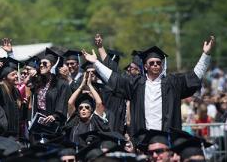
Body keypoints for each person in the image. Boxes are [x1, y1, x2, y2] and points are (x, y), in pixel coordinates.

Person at [83, 36, 215, 135]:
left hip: (167, 137)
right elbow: (114, 78)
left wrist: (206, 54)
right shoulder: (136, 84)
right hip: (143, 139)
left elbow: (194, 77)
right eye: (152, 63)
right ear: (145, 66)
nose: (156, 65)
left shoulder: (172, 83)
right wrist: (96, 63)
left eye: (158, 62)